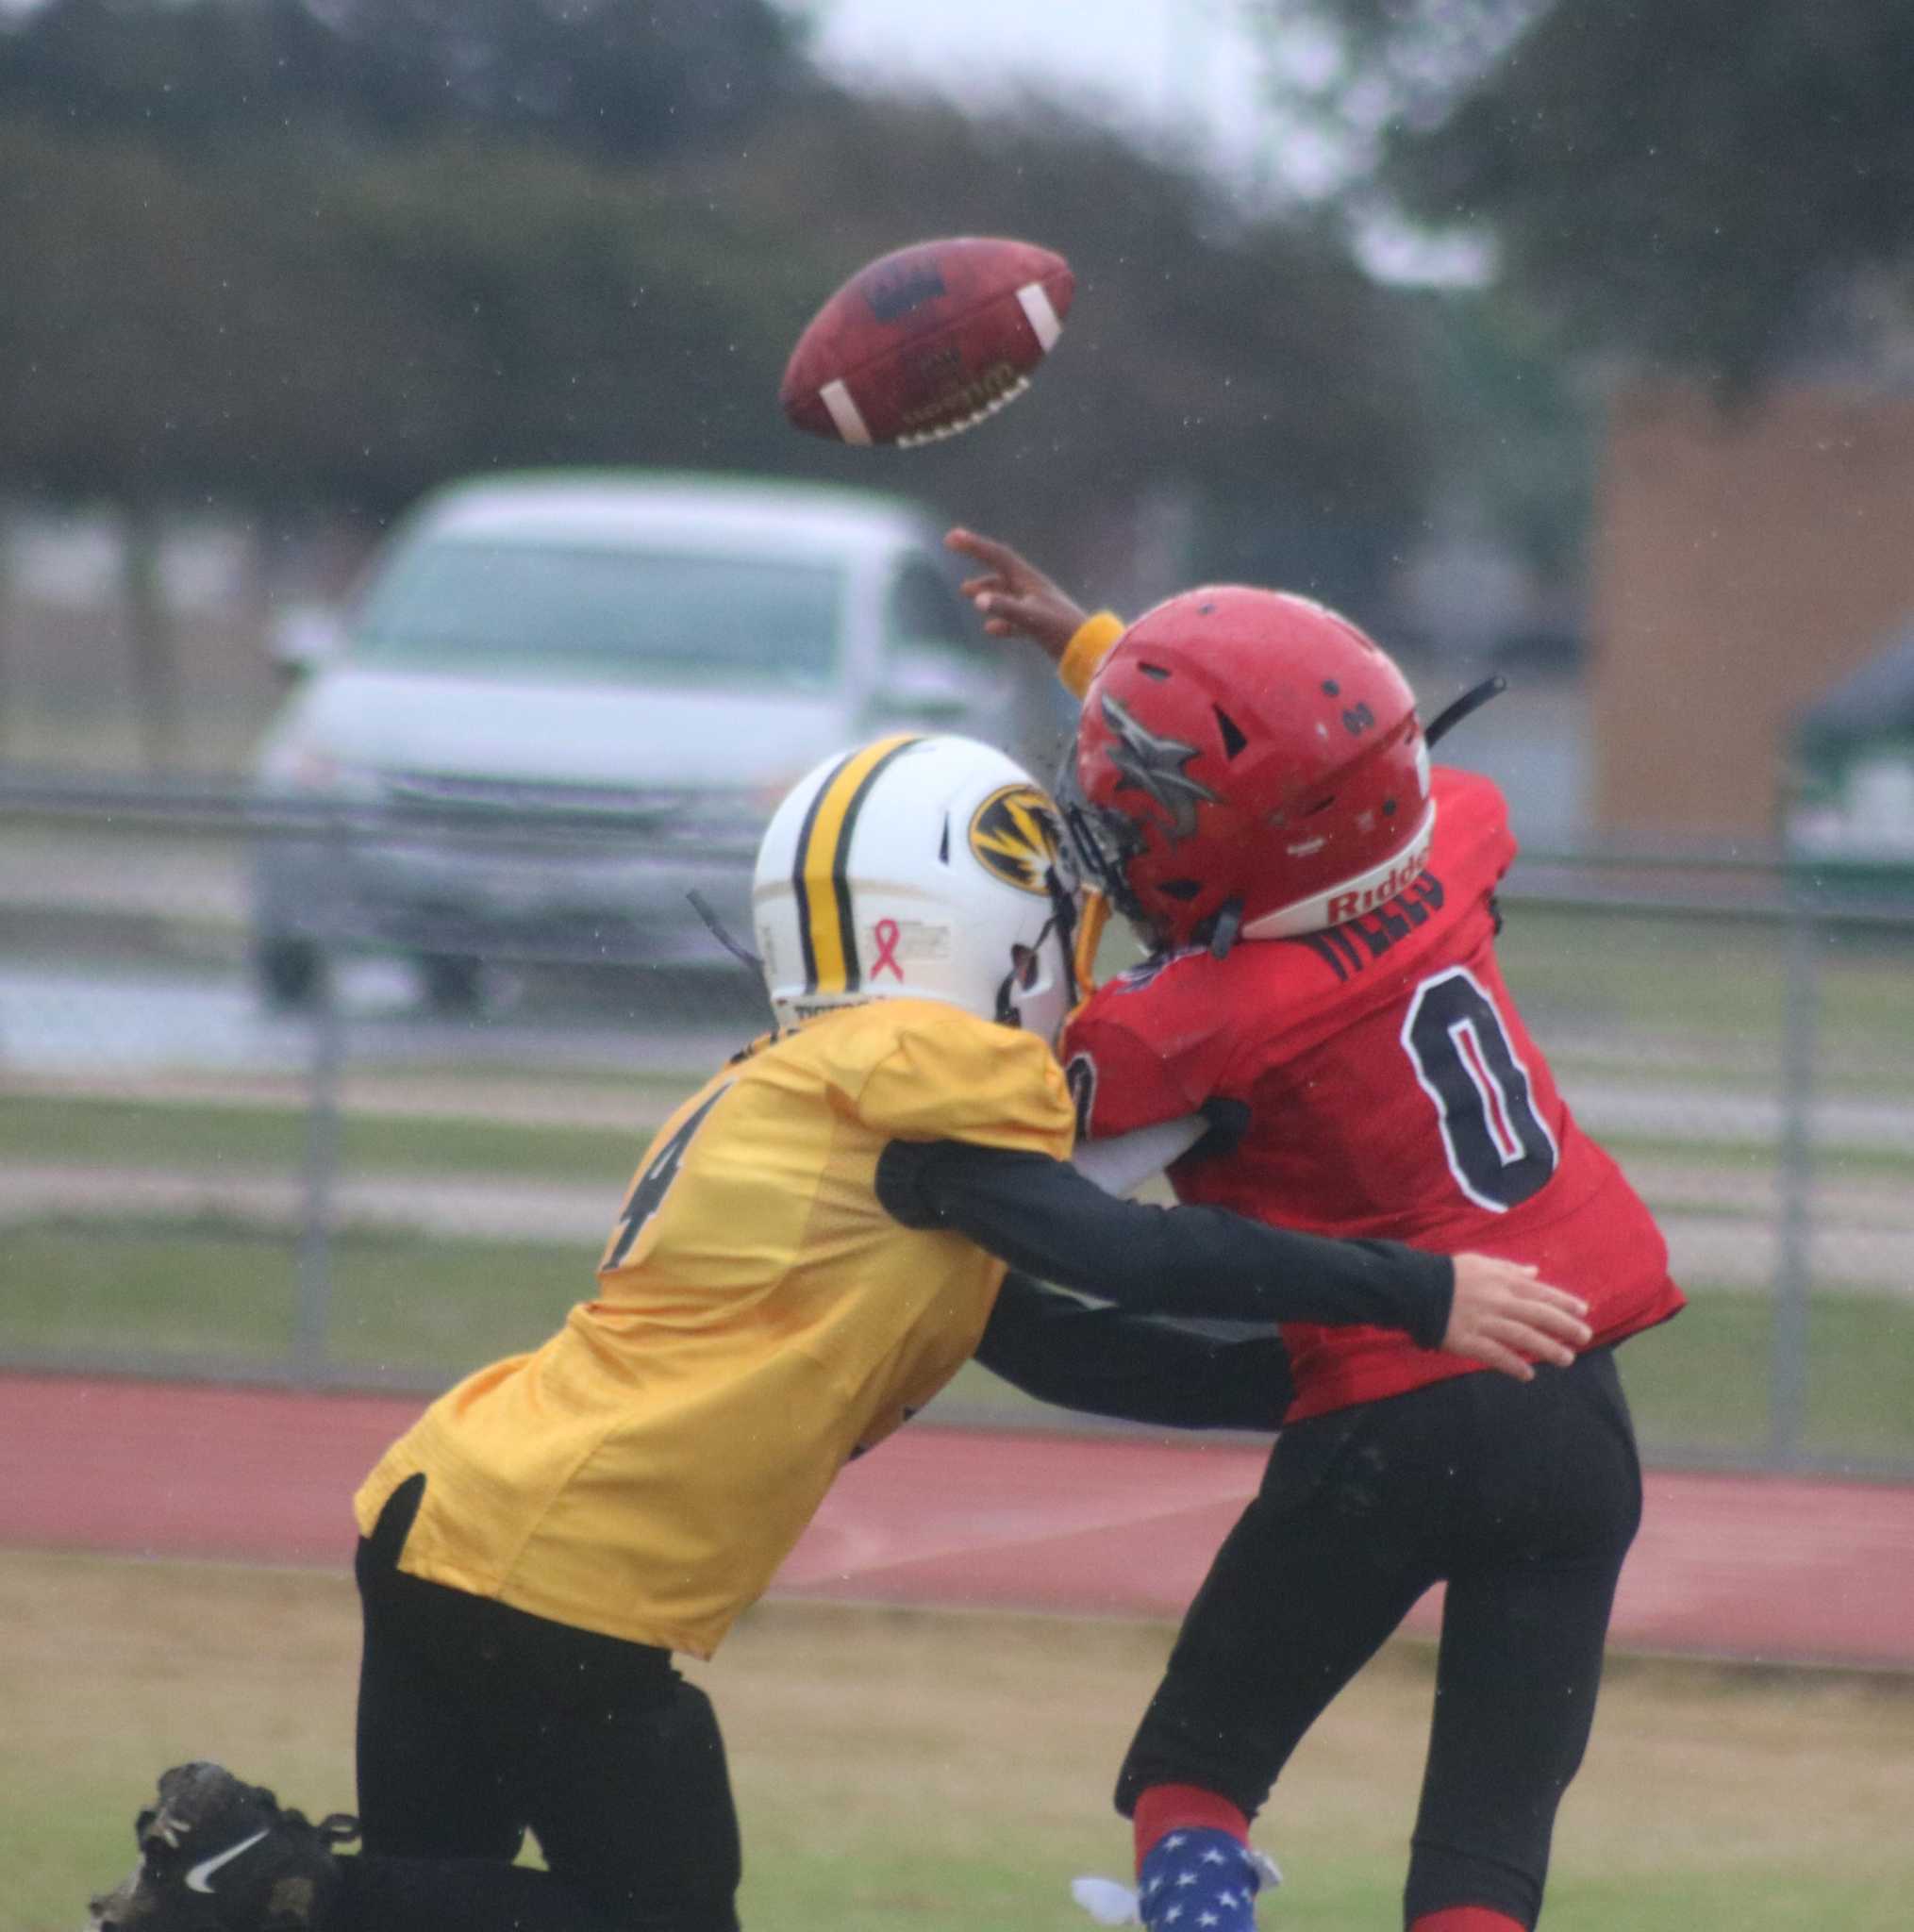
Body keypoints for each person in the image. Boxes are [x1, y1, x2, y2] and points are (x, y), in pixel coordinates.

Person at [90, 733, 1588, 1932]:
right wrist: (1415, 1290)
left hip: (443, 1523)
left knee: (426, 1910)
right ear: (997, 923)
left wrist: (1349, 1386)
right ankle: (261, 1891)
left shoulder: (823, 1108)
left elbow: (1074, 1345)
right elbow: (1124, 1248)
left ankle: (272, 1891)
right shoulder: (920, 1084)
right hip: (566, 1579)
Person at [947, 529, 1687, 1932]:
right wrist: (1098, 654)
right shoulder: (1456, 828)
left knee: (1195, 1774)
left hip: (1391, 1414)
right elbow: (1312, 789)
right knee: (1484, 1844)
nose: (1114, 815)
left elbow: (1036, 1175)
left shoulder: (1192, 1027)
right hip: (1576, 1419)